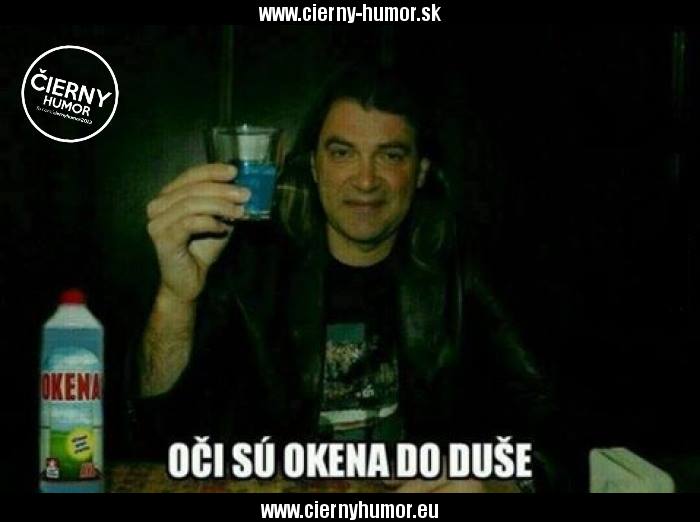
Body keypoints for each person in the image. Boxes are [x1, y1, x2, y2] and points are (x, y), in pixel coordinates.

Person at [133, 63, 569, 492]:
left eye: (391, 156)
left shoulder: (463, 271)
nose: (365, 180)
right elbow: (160, 437)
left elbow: (553, 432)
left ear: (419, 172)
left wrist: (497, 485)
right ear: (314, 166)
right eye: (342, 153)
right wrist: (175, 297)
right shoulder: (251, 269)